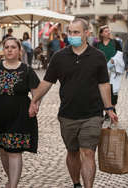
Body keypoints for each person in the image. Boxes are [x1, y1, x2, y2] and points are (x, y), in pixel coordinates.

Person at [28, 18, 118, 188]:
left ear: (86, 33)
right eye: (70, 32)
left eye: (76, 32)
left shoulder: (97, 56)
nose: (72, 35)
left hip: (92, 114)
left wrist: (109, 108)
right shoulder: (59, 57)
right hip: (67, 115)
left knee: (88, 152)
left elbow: (104, 84)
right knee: (73, 152)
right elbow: (47, 82)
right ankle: (76, 183)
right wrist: (34, 100)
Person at [0, 37, 40, 188]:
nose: (10, 50)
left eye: (13, 47)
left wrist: (34, 105)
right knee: (3, 149)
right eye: (7, 47)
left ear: (19, 50)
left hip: (20, 114)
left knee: (14, 150)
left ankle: (13, 185)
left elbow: (36, 92)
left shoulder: (27, 70)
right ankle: (11, 180)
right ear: (3, 50)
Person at [94, 25, 123, 117]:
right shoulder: (97, 45)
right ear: (101, 34)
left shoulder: (115, 43)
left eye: (109, 31)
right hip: (101, 71)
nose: (108, 32)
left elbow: (121, 55)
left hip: (113, 71)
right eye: (106, 31)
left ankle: (112, 109)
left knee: (113, 92)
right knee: (102, 90)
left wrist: (115, 60)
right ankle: (104, 110)